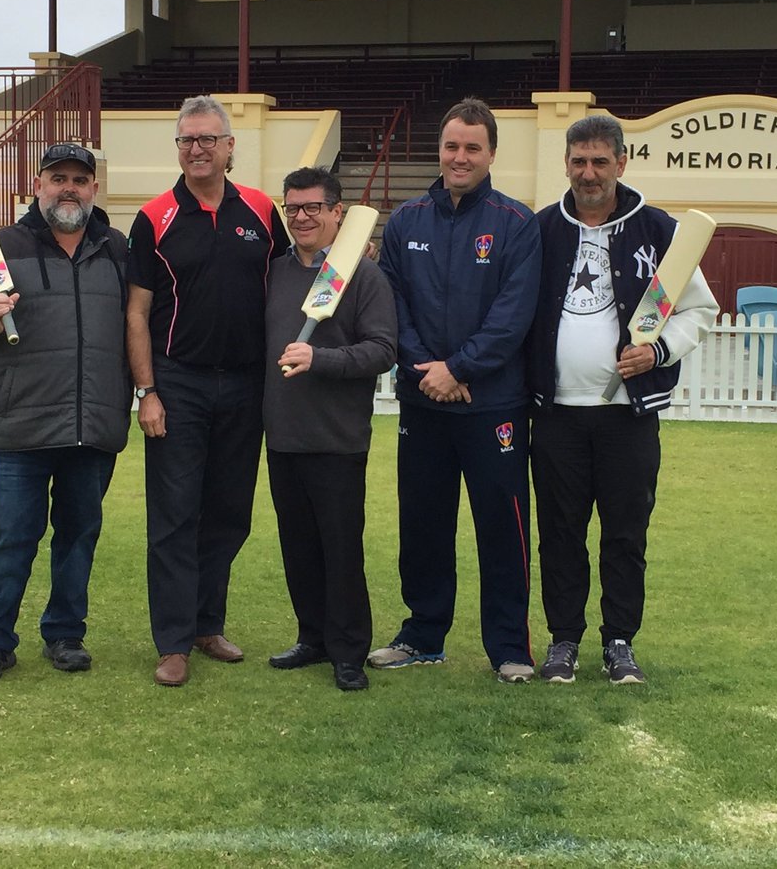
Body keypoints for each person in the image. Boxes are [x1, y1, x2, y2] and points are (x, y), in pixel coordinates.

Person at [529, 115, 718, 685]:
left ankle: (619, 641)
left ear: (621, 163)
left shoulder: (659, 232)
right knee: (560, 532)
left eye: (600, 162)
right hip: (556, 413)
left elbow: (699, 311)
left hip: (627, 419)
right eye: (578, 161)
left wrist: (657, 354)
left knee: (624, 532)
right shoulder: (541, 230)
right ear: (566, 163)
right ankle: (564, 640)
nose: (588, 173)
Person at [369, 97, 541, 684]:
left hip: (492, 406)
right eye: (451, 145)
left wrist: (460, 369)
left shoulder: (517, 223)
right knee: (423, 523)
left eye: (472, 147)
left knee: (501, 524)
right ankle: (422, 635)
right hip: (423, 401)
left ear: (492, 153)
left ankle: (510, 647)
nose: (460, 156)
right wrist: (427, 370)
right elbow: (393, 305)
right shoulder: (406, 220)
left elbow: (512, 317)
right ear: (439, 150)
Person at [0, 142, 131, 683]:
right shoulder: (0, 246)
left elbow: (139, 323)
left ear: (95, 188)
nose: (69, 187)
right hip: (22, 423)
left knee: (78, 534)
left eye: (80, 178)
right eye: (58, 178)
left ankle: (65, 634)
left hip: (93, 423)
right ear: (39, 184)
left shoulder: (118, 249)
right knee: (10, 536)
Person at [126, 95, 288, 687]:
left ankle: (206, 623)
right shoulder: (155, 216)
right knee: (174, 515)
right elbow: (137, 313)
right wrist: (147, 391)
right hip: (179, 383)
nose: (196, 149)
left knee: (228, 512)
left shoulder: (262, 211)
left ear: (228, 147)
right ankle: (172, 642)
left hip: (246, 384)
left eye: (207, 140)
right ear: (179, 148)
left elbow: (289, 283)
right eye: (186, 140)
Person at [264, 166, 397, 692]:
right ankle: (312, 636)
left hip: (337, 438)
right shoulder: (274, 273)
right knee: (298, 546)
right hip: (283, 434)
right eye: (292, 208)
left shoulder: (363, 277)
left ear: (337, 213)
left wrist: (320, 358)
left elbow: (383, 351)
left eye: (313, 208)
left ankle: (348, 651)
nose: (301, 217)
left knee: (340, 548)